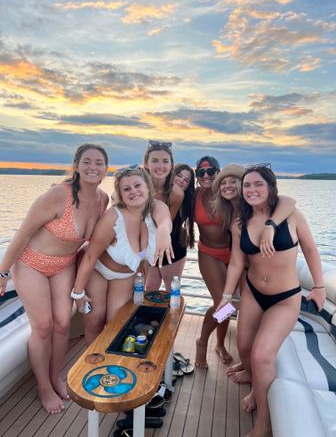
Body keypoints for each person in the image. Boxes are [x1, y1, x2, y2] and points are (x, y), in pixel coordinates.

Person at [0, 143, 109, 414]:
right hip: (31, 264)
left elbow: (98, 240)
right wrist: (2, 273)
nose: (93, 167)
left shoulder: (103, 200)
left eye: (99, 163)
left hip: (64, 266)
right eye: (87, 161)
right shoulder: (58, 196)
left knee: (63, 322)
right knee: (44, 326)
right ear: (76, 166)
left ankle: (55, 377)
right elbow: (22, 234)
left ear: (107, 170)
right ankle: (43, 386)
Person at [216, 165, 325, 437]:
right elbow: (236, 264)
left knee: (262, 355)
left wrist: (319, 287)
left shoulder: (291, 215)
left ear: (271, 188)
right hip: (253, 291)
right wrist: (226, 297)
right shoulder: (239, 222)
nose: (251, 190)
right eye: (247, 185)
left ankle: (263, 422)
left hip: (285, 298)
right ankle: (256, 386)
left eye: (258, 185)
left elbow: (311, 249)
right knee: (243, 347)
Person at [194, 159, 296, 369]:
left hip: (239, 260)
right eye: (201, 172)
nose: (206, 176)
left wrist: (271, 225)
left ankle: (220, 344)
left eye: (211, 171)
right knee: (222, 304)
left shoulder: (250, 204)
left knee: (233, 307)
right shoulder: (215, 198)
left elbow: (287, 201)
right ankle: (202, 341)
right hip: (211, 254)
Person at [71, 166, 173, 345]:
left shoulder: (157, 208)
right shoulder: (113, 217)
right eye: (126, 189)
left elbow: (164, 221)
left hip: (125, 276)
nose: (133, 191)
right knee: (95, 320)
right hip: (98, 271)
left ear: (148, 187)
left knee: (116, 324)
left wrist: (164, 233)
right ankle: (90, 362)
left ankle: (110, 365)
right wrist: (78, 294)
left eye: (137, 185)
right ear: (121, 194)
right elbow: (90, 256)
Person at [143, 140, 185, 291]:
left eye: (165, 161)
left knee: (225, 299)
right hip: (150, 246)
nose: (160, 165)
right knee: (149, 289)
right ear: (146, 163)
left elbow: (166, 223)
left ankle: (224, 314)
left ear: (171, 165)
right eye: (155, 160)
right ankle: (222, 313)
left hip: (232, 258)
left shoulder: (177, 193)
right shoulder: (138, 189)